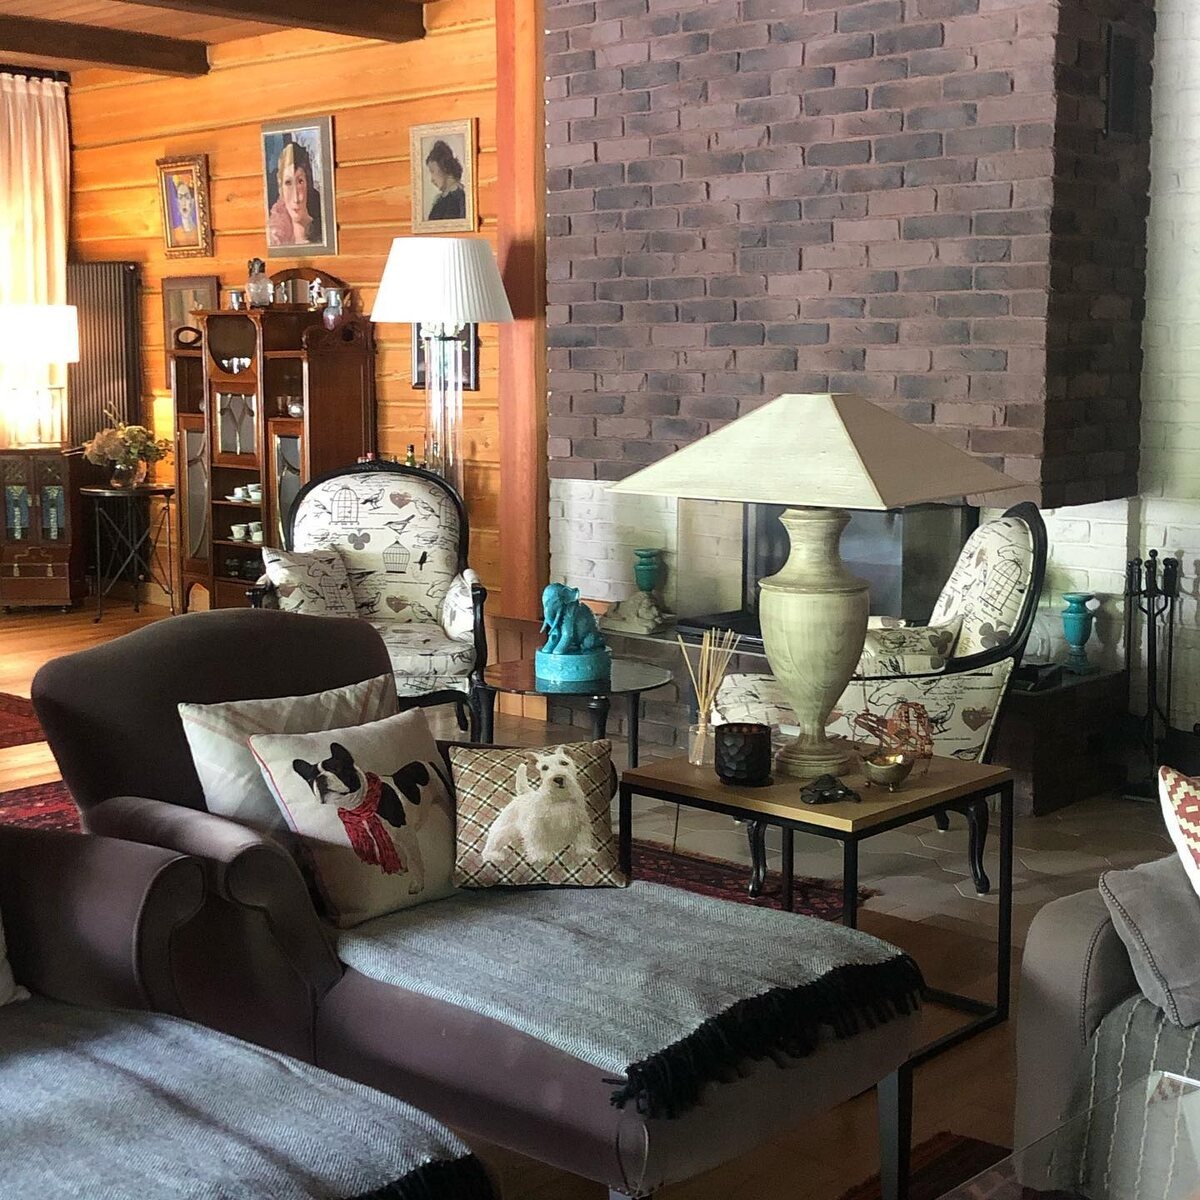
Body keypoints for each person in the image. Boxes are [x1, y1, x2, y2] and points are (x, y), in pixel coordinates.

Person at [267, 138, 323, 248]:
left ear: (308, 184)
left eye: (300, 182)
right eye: (288, 183)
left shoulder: (321, 231)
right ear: (281, 188)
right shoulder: (276, 235)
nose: (296, 198)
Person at [424, 139, 466, 222]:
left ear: (444, 168)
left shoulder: (457, 198)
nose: (432, 180)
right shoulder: (441, 199)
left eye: (433, 171)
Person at [169, 175, 199, 247]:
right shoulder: (175, 233)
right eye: (180, 197)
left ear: (192, 201)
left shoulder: (200, 231)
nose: (183, 202)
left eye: (187, 197)